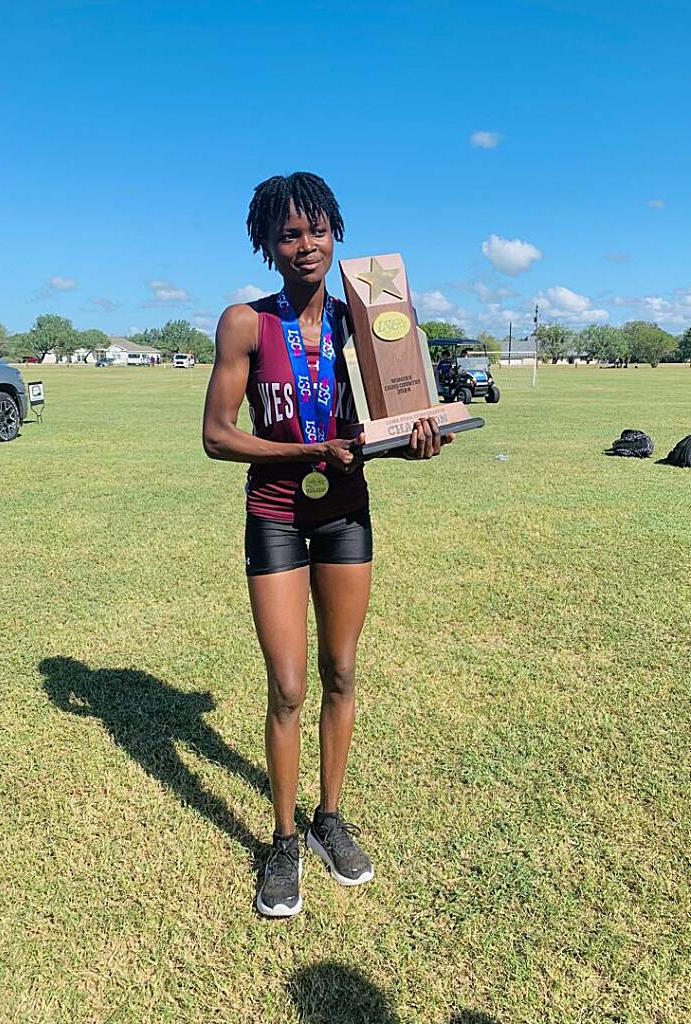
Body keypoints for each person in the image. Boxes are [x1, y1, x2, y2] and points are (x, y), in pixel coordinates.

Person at [202, 171, 453, 917]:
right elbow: (217, 436)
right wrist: (305, 456)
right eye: (288, 233)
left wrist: (416, 441)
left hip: (346, 513)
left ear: (334, 233)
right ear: (266, 243)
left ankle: (328, 819)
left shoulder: (367, 323)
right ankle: (283, 841)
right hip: (277, 512)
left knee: (342, 671)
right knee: (288, 684)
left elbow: (385, 424)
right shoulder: (244, 324)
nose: (305, 244)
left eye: (316, 230)